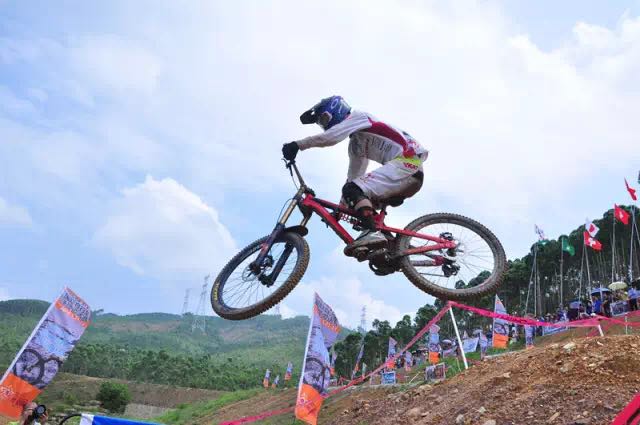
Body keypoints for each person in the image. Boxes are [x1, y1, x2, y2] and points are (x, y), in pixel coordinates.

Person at [282, 96, 428, 254]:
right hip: (405, 172)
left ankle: (373, 233)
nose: (325, 125)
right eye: (321, 123)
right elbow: (354, 176)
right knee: (355, 196)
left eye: (324, 119)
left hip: (408, 163)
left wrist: (298, 145)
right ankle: (390, 249)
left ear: (336, 110)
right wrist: (340, 208)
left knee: (353, 190)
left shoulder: (359, 116)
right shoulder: (356, 144)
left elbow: (330, 137)